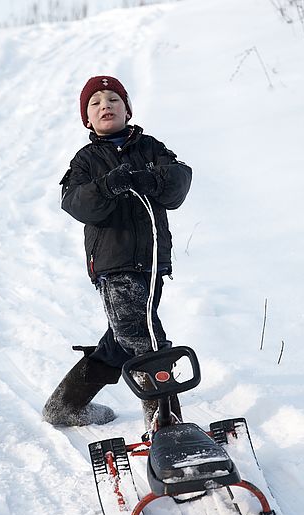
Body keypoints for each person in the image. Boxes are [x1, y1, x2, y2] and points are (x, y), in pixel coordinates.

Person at [42, 75, 192, 428]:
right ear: (87, 120)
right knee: (144, 336)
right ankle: (164, 424)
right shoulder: (86, 160)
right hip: (113, 262)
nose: (104, 105)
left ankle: (65, 404)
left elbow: (179, 181)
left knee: (124, 336)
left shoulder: (151, 148)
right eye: (95, 103)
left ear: (127, 110)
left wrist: (150, 179)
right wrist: (108, 185)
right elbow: (76, 203)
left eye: (113, 99)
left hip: (153, 262)